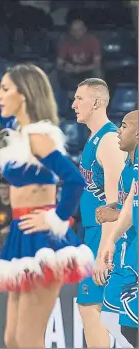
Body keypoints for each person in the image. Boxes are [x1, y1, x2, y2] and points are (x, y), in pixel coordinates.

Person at [0, 15, 93, 348]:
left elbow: (73, 180)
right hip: (20, 233)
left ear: (24, 95)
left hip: (42, 238)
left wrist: (55, 219)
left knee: (28, 340)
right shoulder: (20, 130)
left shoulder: (40, 137)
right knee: (13, 339)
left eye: (6, 89)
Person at [73, 77, 127, 347]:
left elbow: (114, 205)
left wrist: (104, 252)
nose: (73, 104)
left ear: (96, 102)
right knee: (92, 309)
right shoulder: (95, 139)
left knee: (90, 307)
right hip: (94, 233)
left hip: (105, 236)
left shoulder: (108, 140)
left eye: (79, 98)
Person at [94, 111, 138, 348]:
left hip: (133, 253)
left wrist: (115, 215)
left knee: (128, 327)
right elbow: (131, 203)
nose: (118, 131)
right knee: (110, 318)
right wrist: (116, 208)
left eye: (124, 126)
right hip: (123, 251)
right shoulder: (128, 167)